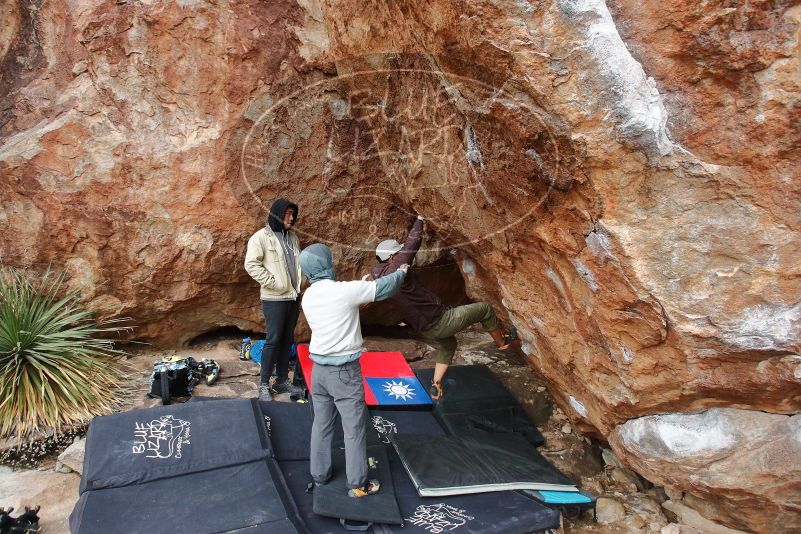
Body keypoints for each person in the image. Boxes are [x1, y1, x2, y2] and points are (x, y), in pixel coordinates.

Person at [299, 243, 408, 498]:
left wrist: (359, 286)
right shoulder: (345, 291)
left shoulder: (310, 295)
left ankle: (320, 476)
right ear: (327, 263)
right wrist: (401, 271)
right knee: (354, 430)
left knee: (322, 425)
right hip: (344, 373)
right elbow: (386, 287)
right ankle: (357, 484)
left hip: (319, 372)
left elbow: (340, 305)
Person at [371, 215, 519, 401]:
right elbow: (412, 244)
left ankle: (436, 384)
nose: (401, 255)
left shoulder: (381, 280)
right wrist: (420, 219)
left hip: (425, 329)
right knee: (485, 309)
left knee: (449, 345)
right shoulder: (397, 270)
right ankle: (503, 342)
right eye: (397, 253)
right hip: (442, 321)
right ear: (392, 257)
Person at [244, 198, 305, 401]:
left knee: (287, 340)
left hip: (293, 297)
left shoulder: (293, 238)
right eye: (288, 213)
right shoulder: (261, 237)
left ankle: (281, 381)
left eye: (293, 214)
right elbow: (251, 265)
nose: (292, 218)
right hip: (274, 298)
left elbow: (297, 265)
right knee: (273, 340)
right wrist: (274, 283)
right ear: (277, 214)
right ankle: (263, 385)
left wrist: (300, 284)